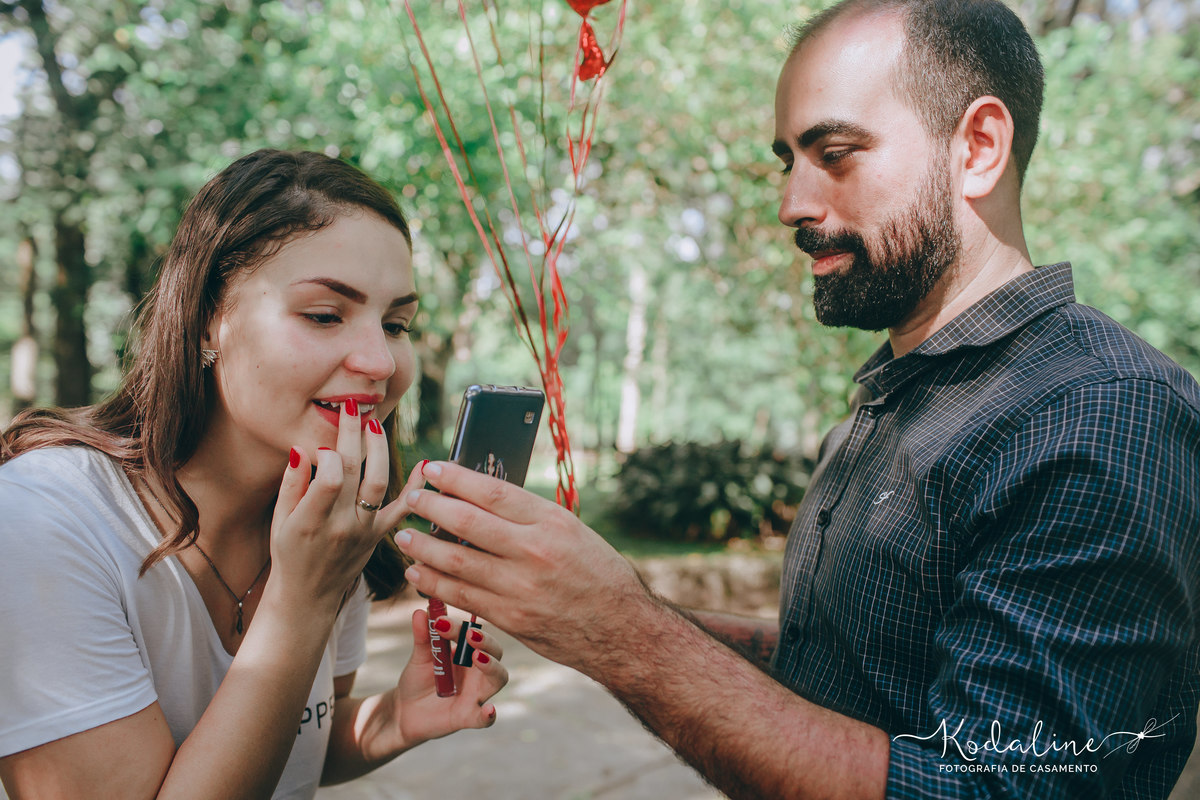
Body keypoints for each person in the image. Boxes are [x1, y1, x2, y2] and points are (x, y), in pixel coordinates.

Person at [391, 1, 1200, 798]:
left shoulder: (1097, 410)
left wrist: (622, 634)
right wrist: (584, 601)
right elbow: (843, 665)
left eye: (836, 153)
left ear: (979, 147)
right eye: (788, 161)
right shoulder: (896, 399)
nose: (791, 205)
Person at [0, 149, 507, 800]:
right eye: (325, 315)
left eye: (397, 323)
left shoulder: (328, 520)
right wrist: (302, 600)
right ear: (210, 316)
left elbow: (288, 742)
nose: (381, 361)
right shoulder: (44, 520)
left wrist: (391, 722)